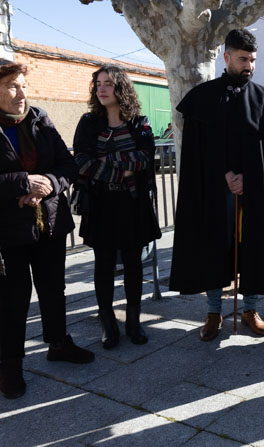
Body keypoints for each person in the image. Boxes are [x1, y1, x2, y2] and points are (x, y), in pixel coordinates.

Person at [169, 29, 264, 339]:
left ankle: (250, 309)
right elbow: (197, 152)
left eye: (252, 60)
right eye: (242, 59)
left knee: (253, 246)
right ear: (226, 57)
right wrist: (224, 175)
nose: (249, 65)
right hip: (214, 193)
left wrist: (249, 179)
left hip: (255, 194)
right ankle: (214, 312)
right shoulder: (203, 98)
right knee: (213, 246)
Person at [0, 60, 94, 399]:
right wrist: (23, 183)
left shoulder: (39, 118)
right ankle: (10, 366)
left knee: (53, 289)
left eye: (23, 85)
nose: (21, 93)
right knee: (12, 299)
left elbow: (68, 164)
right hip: (7, 232)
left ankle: (58, 344)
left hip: (49, 223)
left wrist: (48, 184)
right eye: (12, 85)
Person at [73, 65, 161, 349]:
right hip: (101, 204)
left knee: (134, 263)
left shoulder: (139, 122)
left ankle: (134, 321)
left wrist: (106, 162)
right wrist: (122, 169)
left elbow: (146, 158)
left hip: (132, 203)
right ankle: (108, 323)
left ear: (121, 88)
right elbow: (81, 162)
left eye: (108, 83)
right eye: (98, 83)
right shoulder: (89, 122)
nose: (101, 89)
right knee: (104, 264)